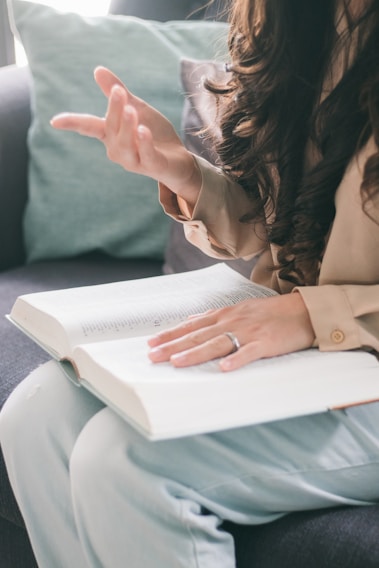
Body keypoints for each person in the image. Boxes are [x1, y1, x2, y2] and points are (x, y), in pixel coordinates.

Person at [1, 0, 379, 566]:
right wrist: (181, 170)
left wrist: (311, 315)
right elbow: (283, 217)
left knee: (125, 463)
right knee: (35, 416)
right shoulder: (291, 17)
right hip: (319, 351)